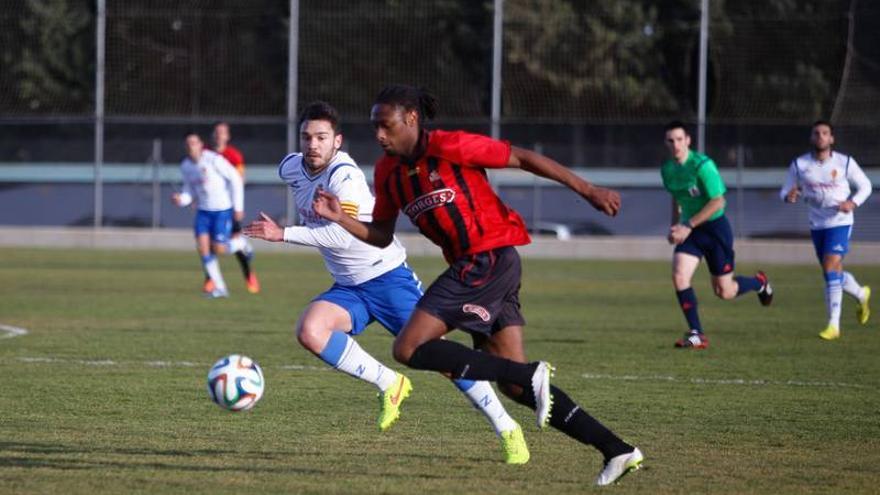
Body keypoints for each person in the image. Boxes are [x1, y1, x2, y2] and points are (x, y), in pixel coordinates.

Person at [312, 85, 642, 486]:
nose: (379, 135)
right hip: (483, 268)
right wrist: (339, 217)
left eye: (386, 125)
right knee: (514, 385)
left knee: (408, 347)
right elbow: (381, 234)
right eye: (374, 127)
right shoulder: (388, 173)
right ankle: (617, 448)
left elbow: (523, 158)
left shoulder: (452, 146)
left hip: (487, 258)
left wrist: (587, 190)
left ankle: (534, 373)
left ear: (411, 119)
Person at [242, 101, 530, 464]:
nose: (313, 144)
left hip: (387, 279)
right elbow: (290, 173)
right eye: (307, 136)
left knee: (443, 359)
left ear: (338, 142)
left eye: (322, 137)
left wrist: (281, 233)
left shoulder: (344, 177)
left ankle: (507, 427)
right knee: (310, 330)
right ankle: (389, 383)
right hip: (349, 286)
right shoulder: (291, 167)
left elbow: (341, 238)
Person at [661, 121, 774, 349]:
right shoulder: (667, 170)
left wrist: (688, 225)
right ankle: (697, 334)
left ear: (688, 141)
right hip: (691, 231)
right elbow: (677, 198)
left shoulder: (702, 165)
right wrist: (675, 226)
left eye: (679, 140)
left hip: (714, 229)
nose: (675, 145)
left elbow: (718, 201)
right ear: (666, 143)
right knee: (679, 275)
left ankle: (759, 282)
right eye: (671, 141)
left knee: (725, 291)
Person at [780, 120, 872, 340]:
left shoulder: (844, 162)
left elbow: (866, 186)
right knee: (831, 273)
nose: (820, 136)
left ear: (832, 139)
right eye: (816, 133)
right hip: (817, 224)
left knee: (831, 266)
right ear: (811, 138)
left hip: (840, 221)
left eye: (825, 133)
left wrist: (853, 203)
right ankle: (861, 294)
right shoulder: (800, 165)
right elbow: (785, 190)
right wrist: (788, 196)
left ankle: (834, 325)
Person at [172, 132, 244, 298]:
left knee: (218, 249)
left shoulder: (213, 160)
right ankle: (220, 288)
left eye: (194, 143)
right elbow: (189, 192)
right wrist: (181, 199)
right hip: (203, 212)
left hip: (222, 210)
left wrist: (238, 207)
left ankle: (240, 245)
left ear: (201, 145)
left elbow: (235, 178)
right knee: (204, 249)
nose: (191, 147)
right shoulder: (186, 166)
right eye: (188, 144)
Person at [211, 121, 260, 294]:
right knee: (210, 243)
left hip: (229, 206)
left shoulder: (233, 155)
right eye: (216, 132)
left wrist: (237, 205)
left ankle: (249, 275)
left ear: (227, 136)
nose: (219, 135)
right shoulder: (207, 155)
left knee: (230, 243)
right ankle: (210, 279)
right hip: (211, 206)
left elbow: (240, 180)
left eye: (222, 132)